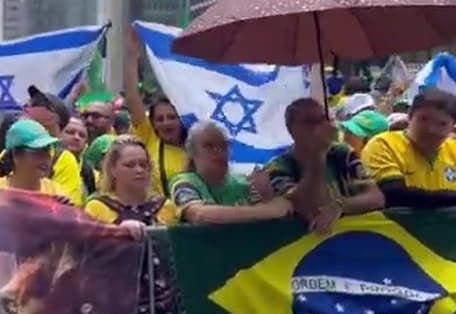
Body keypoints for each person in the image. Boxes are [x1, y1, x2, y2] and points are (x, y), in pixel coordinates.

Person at [0, 40, 83, 204]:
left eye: (40, 105)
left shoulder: (64, 161)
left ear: (56, 119)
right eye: (37, 151)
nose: (30, 107)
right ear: (16, 156)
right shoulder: (6, 155)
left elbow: (68, 211)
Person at [84, 135, 178, 314]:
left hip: (163, 301)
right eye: (130, 165)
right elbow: (87, 256)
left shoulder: (166, 207)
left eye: (143, 164)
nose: (139, 170)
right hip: (115, 302)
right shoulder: (97, 207)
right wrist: (117, 231)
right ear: (113, 169)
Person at [265, 98, 384, 233]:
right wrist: (318, 155)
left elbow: (376, 198)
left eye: (323, 119)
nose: (320, 126)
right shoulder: (278, 167)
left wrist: (340, 205)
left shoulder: (342, 154)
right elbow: (306, 205)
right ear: (291, 129)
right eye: (310, 121)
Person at [169, 121, 291, 224]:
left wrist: (267, 195)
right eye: (208, 146)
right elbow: (198, 214)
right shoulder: (183, 182)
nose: (217, 151)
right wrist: (267, 211)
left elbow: (278, 210)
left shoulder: (244, 183)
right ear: (192, 152)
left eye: (223, 146)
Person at [361, 88, 456, 208]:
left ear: (452, 126)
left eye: (442, 124)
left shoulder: (453, 150)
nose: (431, 130)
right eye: (423, 119)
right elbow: (393, 194)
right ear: (410, 117)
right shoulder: (383, 144)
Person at [123, 29, 187, 197]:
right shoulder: (149, 137)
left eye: (171, 117)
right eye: (159, 119)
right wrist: (132, 57)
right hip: (155, 211)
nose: (166, 123)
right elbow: (132, 98)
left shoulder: (196, 146)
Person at [0, 119, 72, 203]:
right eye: (37, 151)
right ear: (16, 155)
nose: (46, 157)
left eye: (47, 150)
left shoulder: (56, 193)